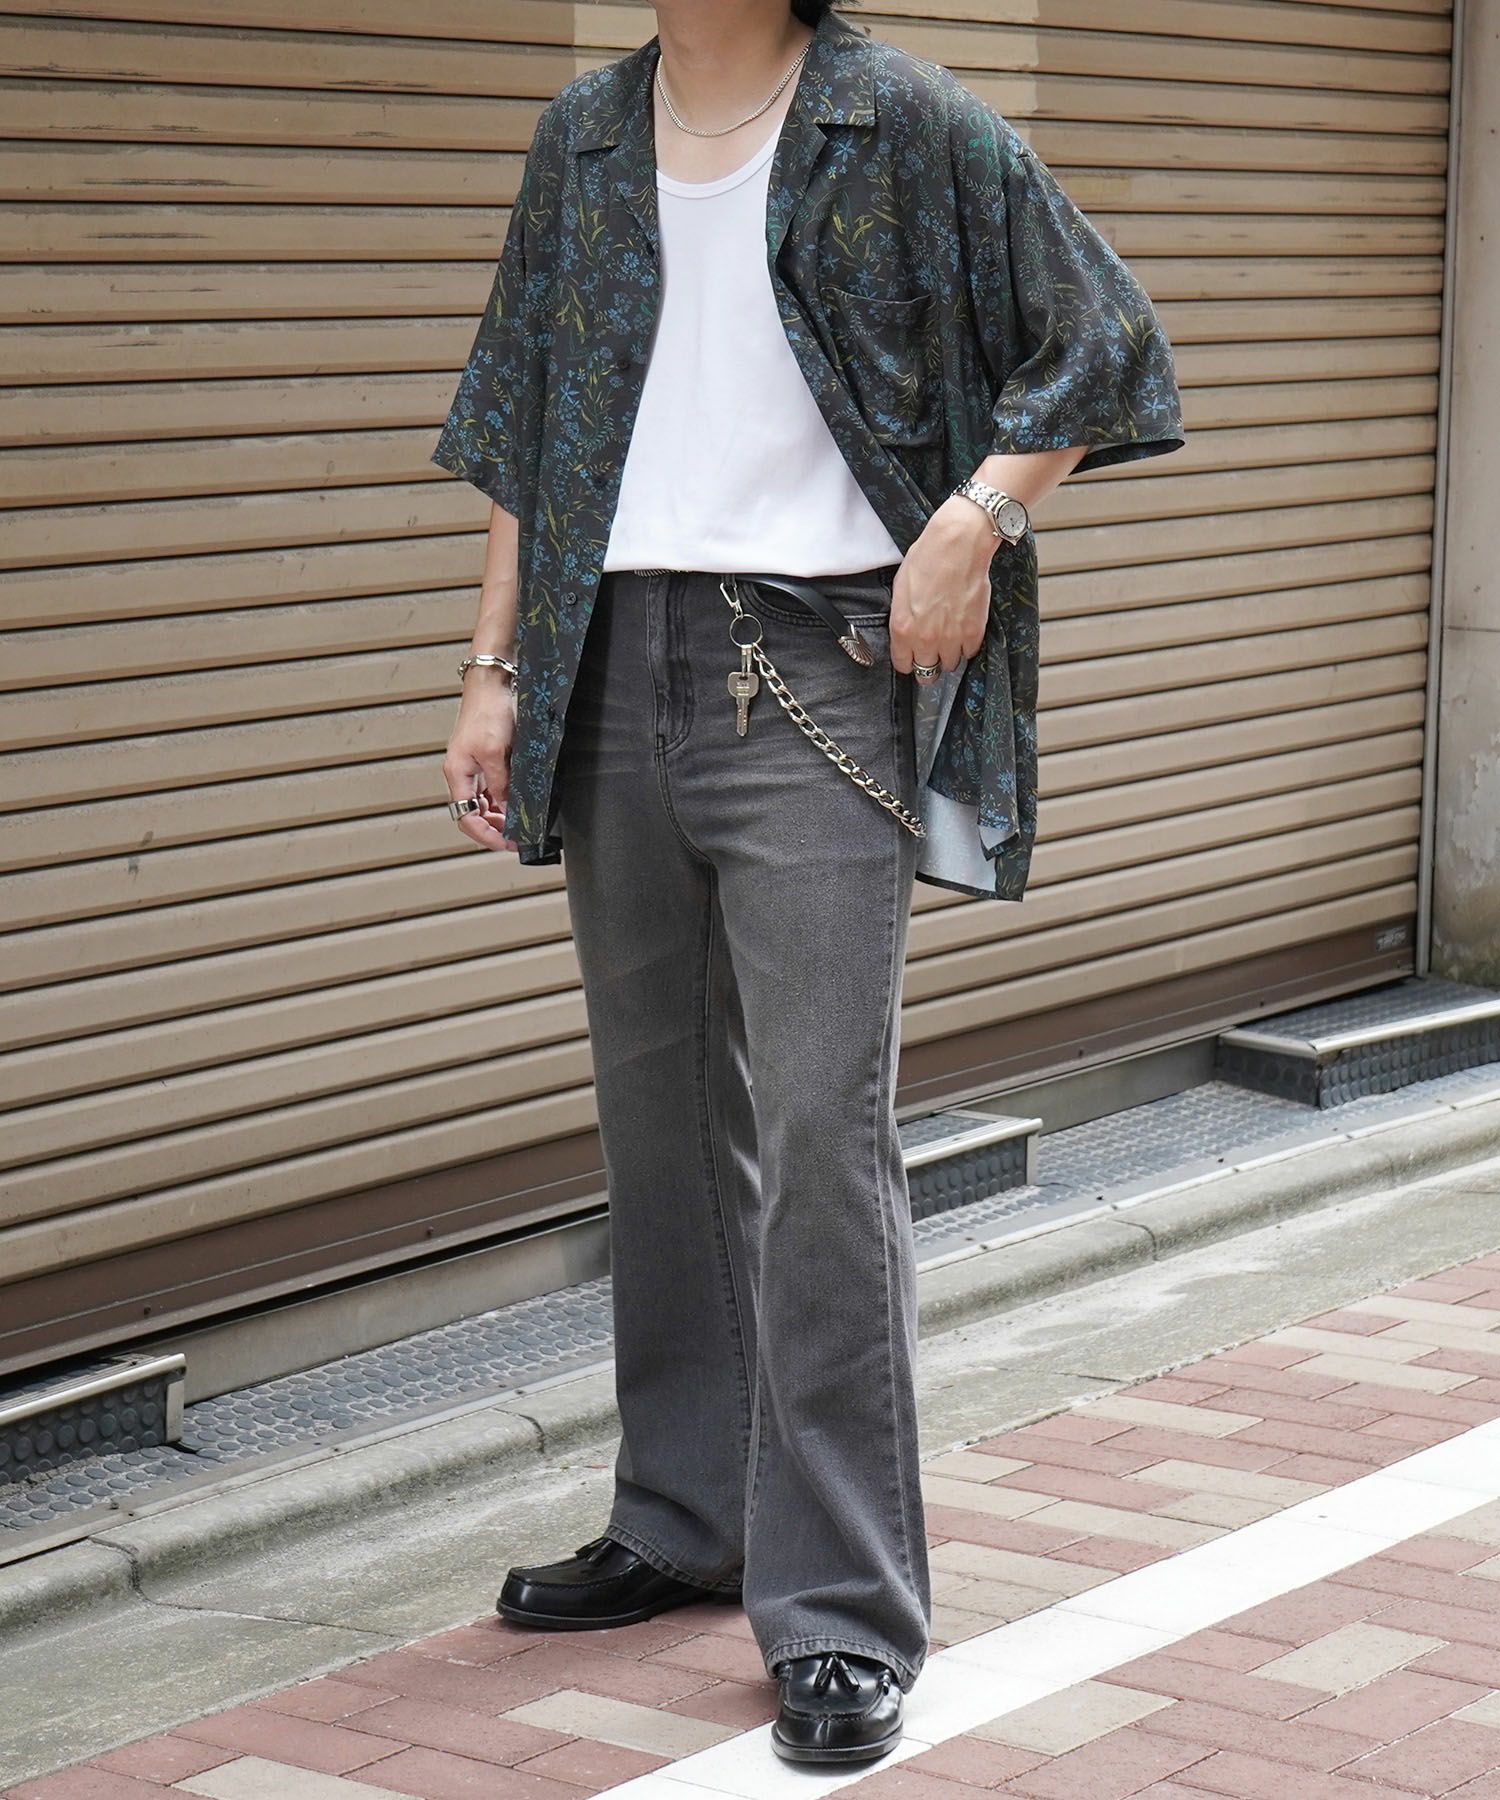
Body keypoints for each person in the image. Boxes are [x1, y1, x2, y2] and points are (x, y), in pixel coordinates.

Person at [431, 0, 1185, 1766]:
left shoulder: (897, 116)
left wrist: (977, 516)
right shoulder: (583, 139)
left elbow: (1105, 337)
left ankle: (841, 1605)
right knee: (662, 1122)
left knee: (823, 1141)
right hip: (611, 661)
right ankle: (686, 1515)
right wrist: (491, 669)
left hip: (816, 663)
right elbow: (524, 419)